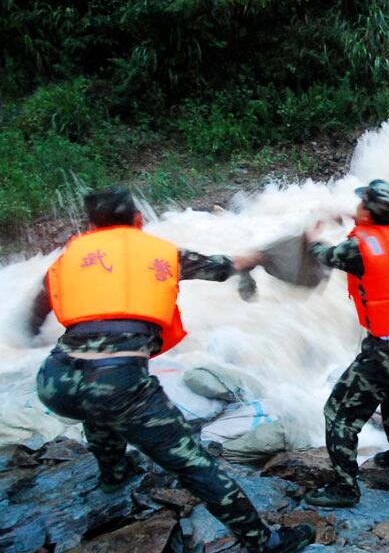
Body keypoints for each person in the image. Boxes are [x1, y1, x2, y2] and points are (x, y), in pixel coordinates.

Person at [30, 187, 314, 552]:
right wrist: (261, 255)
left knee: (96, 404)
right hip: (118, 381)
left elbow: (38, 309)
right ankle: (264, 541)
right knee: (194, 464)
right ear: (138, 220)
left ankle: (114, 476)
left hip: (55, 380)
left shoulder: (68, 258)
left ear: (91, 225)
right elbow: (224, 266)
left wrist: (32, 333)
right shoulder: (163, 254)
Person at [303, 179, 389, 508]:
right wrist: (346, 214)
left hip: (382, 351)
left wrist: (313, 231)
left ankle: (345, 488)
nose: (356, 208)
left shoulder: (356, 248)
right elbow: (375, 232)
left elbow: (322, 254)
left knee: (338, 415)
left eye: (360, 205)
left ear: (369, 213)